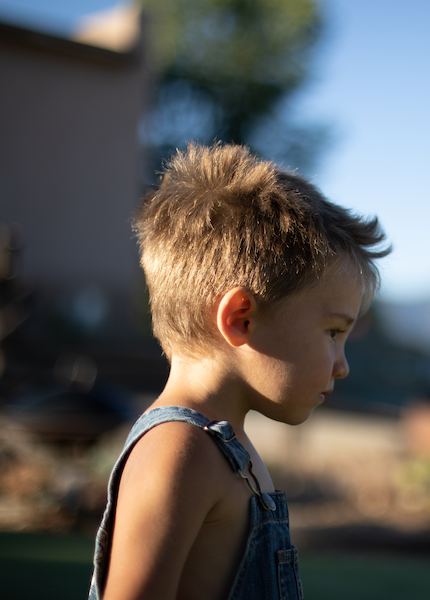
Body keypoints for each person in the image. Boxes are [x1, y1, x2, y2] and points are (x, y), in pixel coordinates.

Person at [88, 143, 390, 600]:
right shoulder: (178, 451)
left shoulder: (225, 445)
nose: (342, 365)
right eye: (332, 332)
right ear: (241, 318)